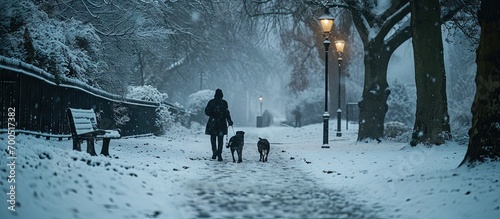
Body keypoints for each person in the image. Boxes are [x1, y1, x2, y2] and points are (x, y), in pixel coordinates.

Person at [205, 89, 233, 161]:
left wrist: (212, 114)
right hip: (221, 123)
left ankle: (214, 151)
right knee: (220, 139)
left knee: (213, 139)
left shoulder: (211, 102)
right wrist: (229, 120)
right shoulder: (224, 103)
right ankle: (219, 153)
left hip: (213, 123)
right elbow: (227, 112)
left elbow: (206, 112)